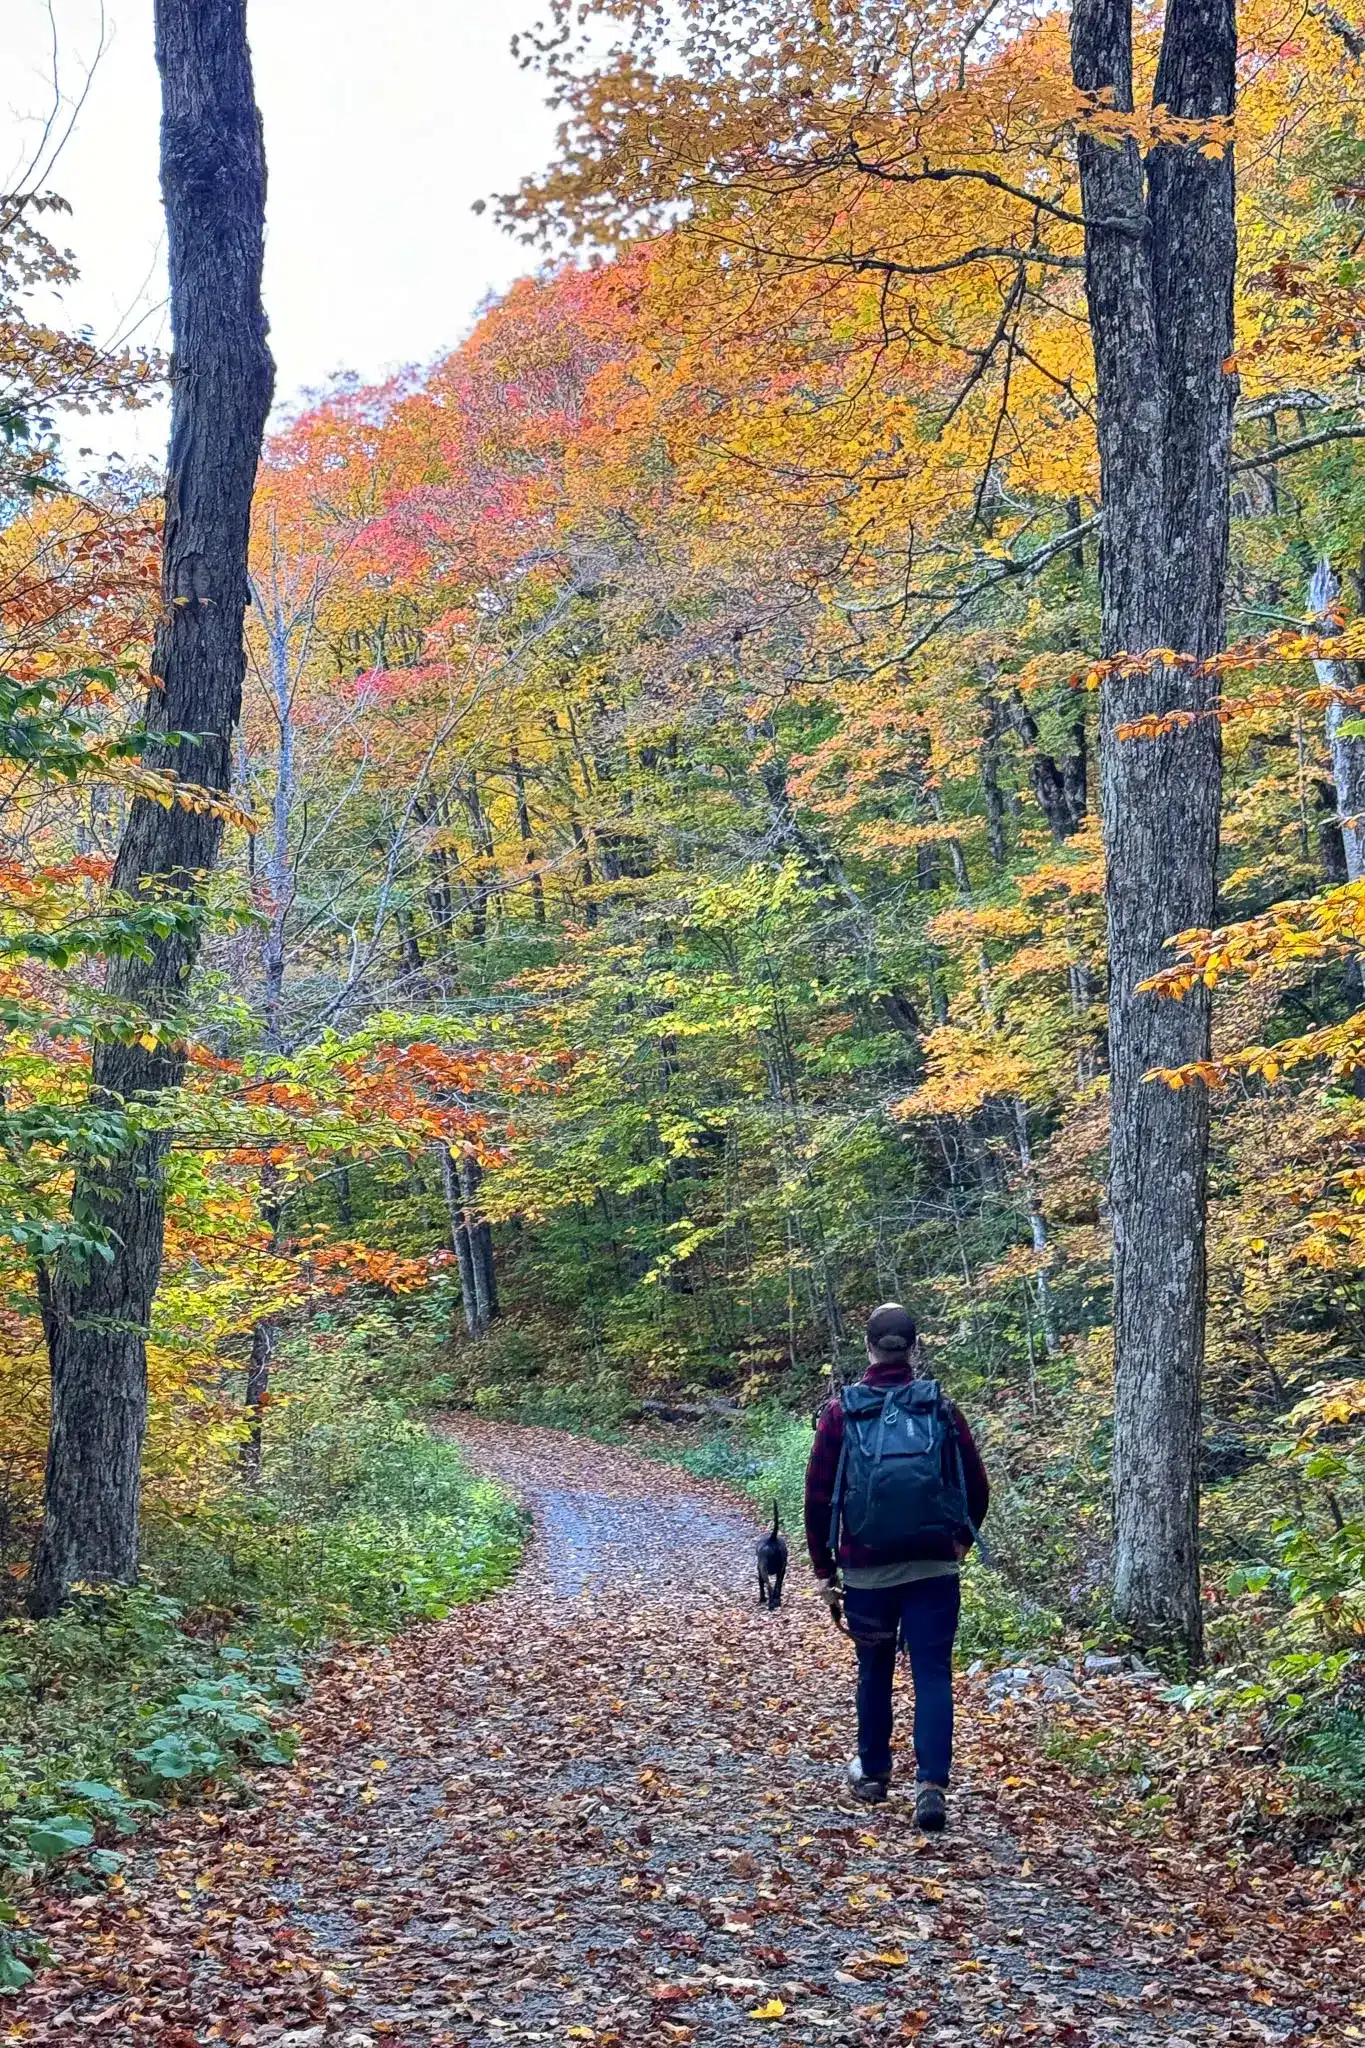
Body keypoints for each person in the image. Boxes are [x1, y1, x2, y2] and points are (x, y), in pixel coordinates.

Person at [804, 1303, 989, 1828]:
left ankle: (875, 1774)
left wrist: (824, 1569)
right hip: (934, 1566)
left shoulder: (842, 1412)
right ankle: (931, 1783)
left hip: (866, 1569)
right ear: (913, 1348)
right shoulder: (941, 1409)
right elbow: (976, 1485)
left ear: (869, 1348)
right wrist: (960, 1542)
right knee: (932, 1673)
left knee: (875, 1671)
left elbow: (818, 1496)